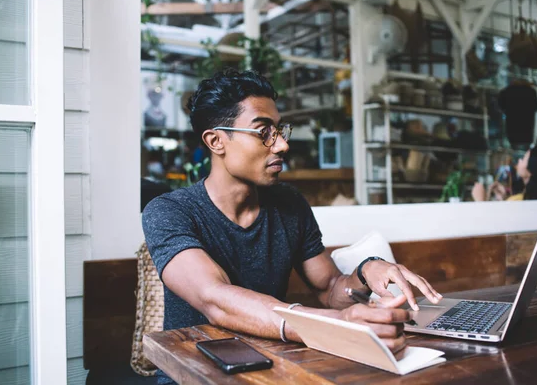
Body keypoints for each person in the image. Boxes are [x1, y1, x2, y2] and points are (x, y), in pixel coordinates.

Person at [142, 70, 442, 384]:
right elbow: (216, 298)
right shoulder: (169, 212)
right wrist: (337, 325)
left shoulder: (289, 203)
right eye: (263, 132)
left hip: (273, 368)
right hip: (193, 375)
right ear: (216, 140)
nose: (282, 145)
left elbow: (330, 288)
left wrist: (368, 270)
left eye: (280, 130)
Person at [472, 139, 537, 201]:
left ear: (531, 170)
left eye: (524, 158)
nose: (519, 160)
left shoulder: (522, 202)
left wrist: (481, 200)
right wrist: (504, 197)